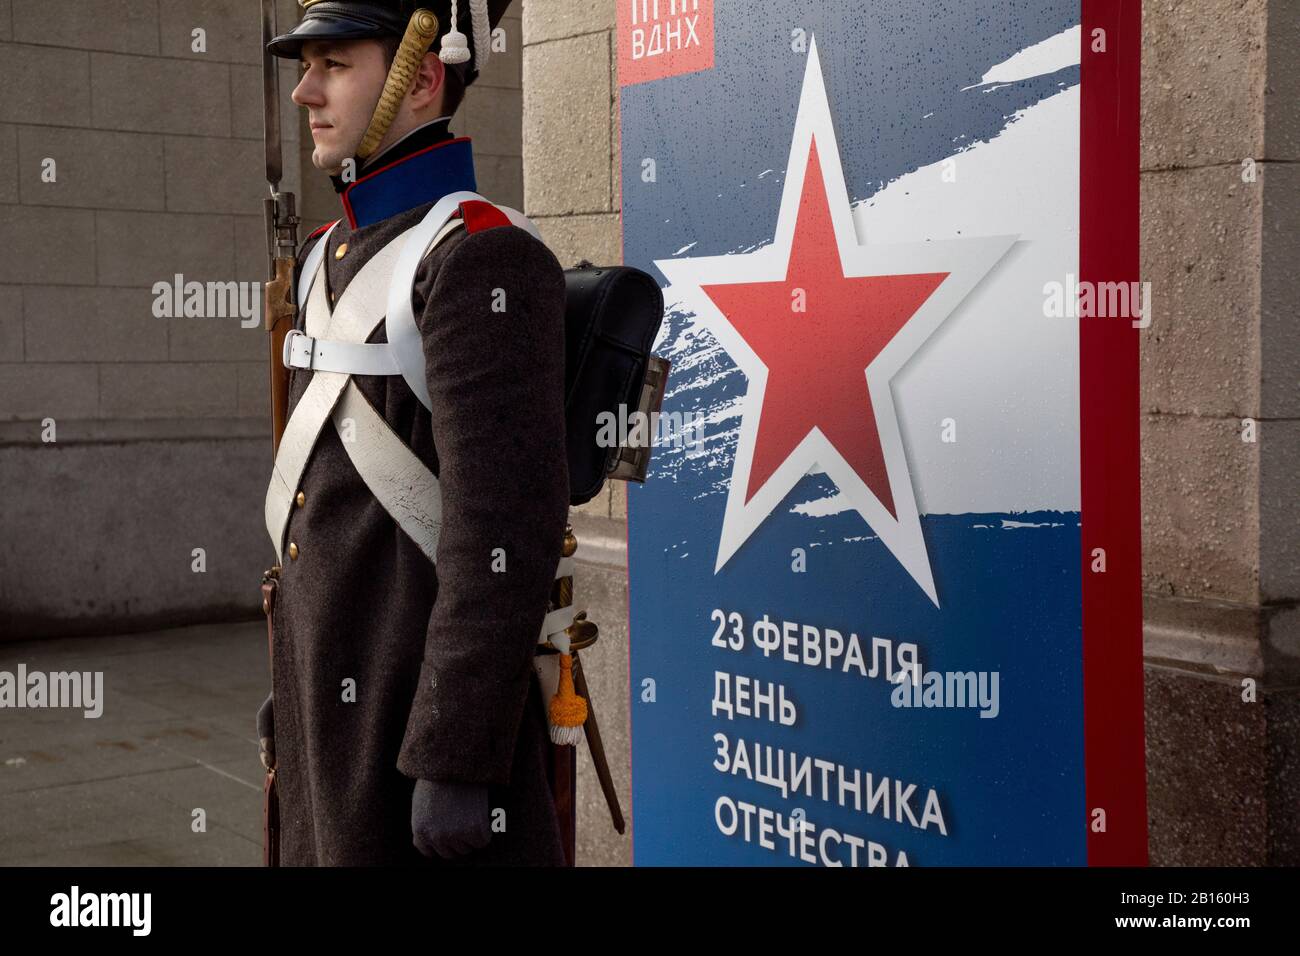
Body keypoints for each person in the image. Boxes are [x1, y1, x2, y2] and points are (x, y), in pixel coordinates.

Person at [256, 0, 570, 865]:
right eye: (305, 67)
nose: (304, 92)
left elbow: (504, 529)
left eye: (335, 65)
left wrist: (456, 754)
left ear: (422, 77)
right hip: (330, 713)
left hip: (416, 732)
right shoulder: (326, 253)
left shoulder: (479, 256)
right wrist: (295, 689)